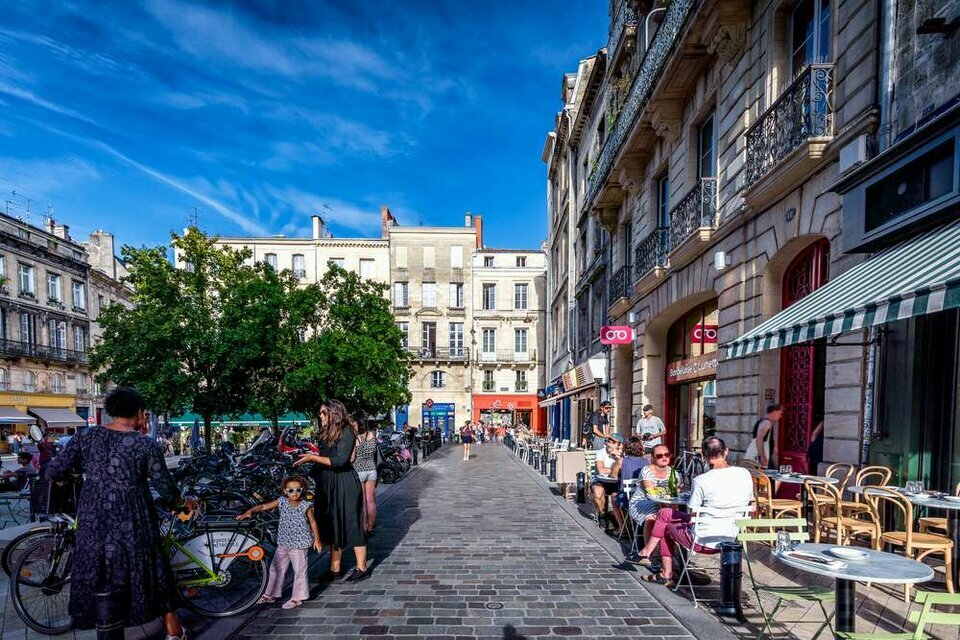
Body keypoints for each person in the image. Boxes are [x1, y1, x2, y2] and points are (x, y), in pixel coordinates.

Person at [43, 386, 190, 640]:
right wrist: (181, 504)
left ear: (111, 411)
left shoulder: (85, 437)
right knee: (150, 568)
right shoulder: (145, 445)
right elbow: (164, 487)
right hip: (134, 519)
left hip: (93, 518)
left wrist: (70, 478)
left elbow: (55, 470)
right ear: (139, 412)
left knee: (101, 574)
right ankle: (171, 628)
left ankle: (110, 633)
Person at [634, 437, 754, 585]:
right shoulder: (745, 474)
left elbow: (693, 515)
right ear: (726, 451)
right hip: (731, 538)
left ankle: (665, 572)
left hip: (701, 540)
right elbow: (750, 503)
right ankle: (649, 550)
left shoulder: (701, 480)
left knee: (664, 524)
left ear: (703, 456)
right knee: (664, 513)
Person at [294, 399, 370, 583]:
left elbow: (340, 461)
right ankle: (334, 568)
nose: (320, 416)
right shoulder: (325, 433)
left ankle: (362, 567)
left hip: (345, 483)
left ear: (334, 413)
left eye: (324, 413)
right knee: (331, 525)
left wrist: (312, 458)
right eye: (320, 413)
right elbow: (325, 459)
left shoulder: (346, 431)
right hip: (327, 483)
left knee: (351, 523)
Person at [237, 475, 321, 609]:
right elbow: (264, 506)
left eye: (298, 490)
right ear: (285, 491)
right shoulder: (281, 501)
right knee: (276, 568)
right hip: (283, 542)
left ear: (303, 490)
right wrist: (250, 511)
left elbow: (313, 522)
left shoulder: (306, 505)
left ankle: (298, 597)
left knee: (299, 571)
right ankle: (271, 593)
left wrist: (317, 540)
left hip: (300, 544)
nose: (294, 493)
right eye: (291, 490)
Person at [625, 444, 673, 564]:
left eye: (667, 455)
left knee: (673, 517)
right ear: (652, 457)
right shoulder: (647, 470)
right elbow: (651, 491)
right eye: (659, 455)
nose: (664, 458)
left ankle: (671, 554)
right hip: (642, 503)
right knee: (652, 517)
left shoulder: (672, 472)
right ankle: (649, 553)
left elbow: (675, 491)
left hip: (663, 504)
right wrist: (668, 491)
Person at [349, 410, 379, 536]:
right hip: (372, 470)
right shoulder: (372, 435)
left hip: (359, 471)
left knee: (363, 502)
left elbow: (351, 458)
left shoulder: (355, 438)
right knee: (371, 501)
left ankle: (364, 525)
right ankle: (371, 527)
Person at [591, 433, 625, 530]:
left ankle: (619, 521)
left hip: (617, 482)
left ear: (619, 444)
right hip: (601, 481)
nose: (609, 443)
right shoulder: (601, 452)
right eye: (608, 441)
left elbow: (626, 469)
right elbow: (601, 470)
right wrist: (616, 469)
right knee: (598, 492)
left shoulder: (623, 454)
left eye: (612, 442)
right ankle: (602, 514)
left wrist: (618, 458)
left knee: (618, 496)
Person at [744, 404, 783, 469]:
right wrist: (762, 456)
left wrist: (774, 447)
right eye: (779, 413)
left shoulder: (765, 422)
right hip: (761, 456)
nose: (780, 416)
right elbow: (759, 439)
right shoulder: (766, 423)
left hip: (764, 455)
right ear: (774, 412)